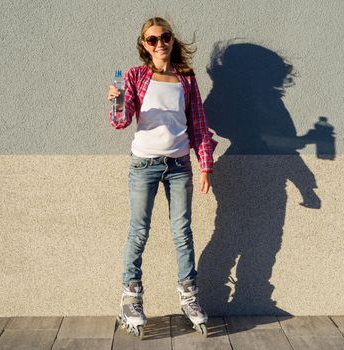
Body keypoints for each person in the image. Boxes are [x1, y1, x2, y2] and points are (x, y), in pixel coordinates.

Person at [107, 16, 217, 337]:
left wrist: (205, 165)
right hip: (144, 165)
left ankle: (189, 296)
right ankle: (131, 298)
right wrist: (116, 101)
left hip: (179, 165)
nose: (160, 44)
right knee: (139, 230)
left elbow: (197, 123)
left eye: (164, 37)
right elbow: (121, 121)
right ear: (144, 45)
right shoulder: (136, 76)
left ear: (172, 40)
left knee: (182, 232)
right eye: (152, 39)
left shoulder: (186, 78)